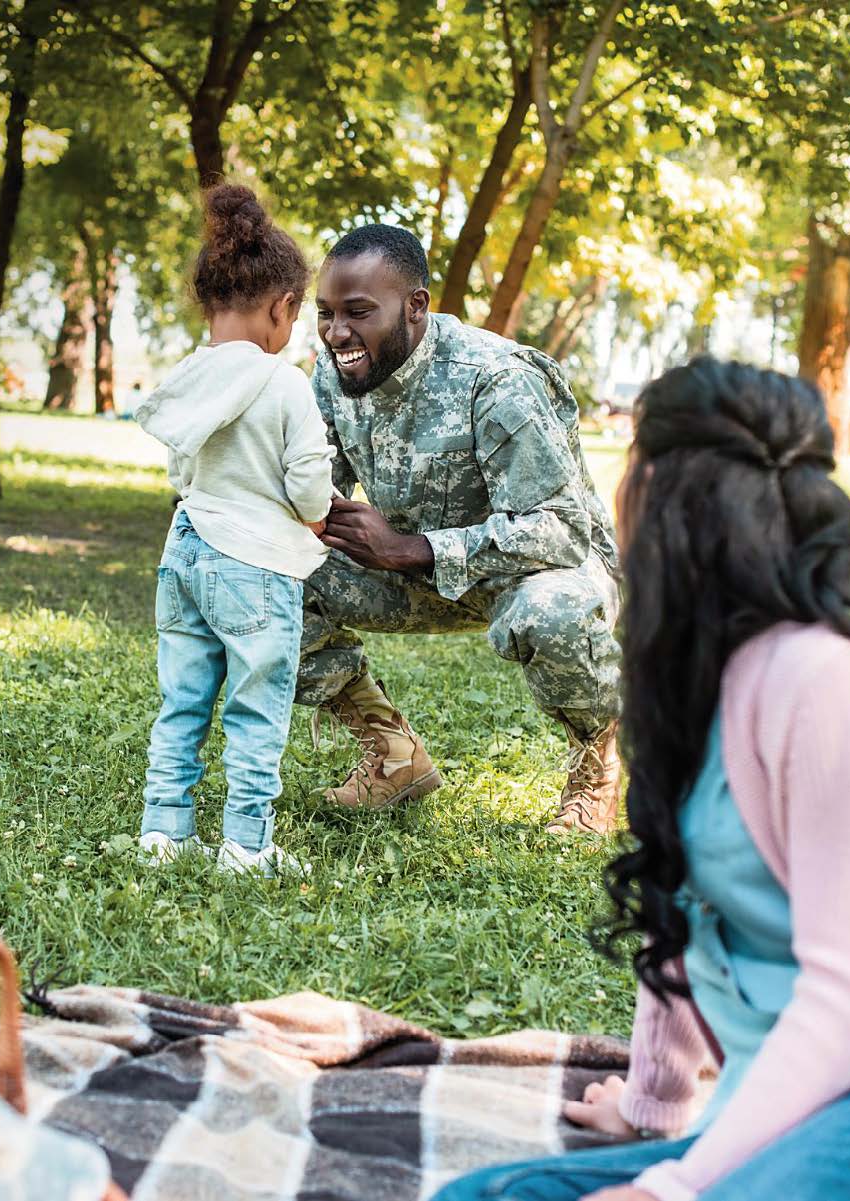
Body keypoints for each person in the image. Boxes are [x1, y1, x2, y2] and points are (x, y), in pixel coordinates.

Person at [432, 358, 850, 1200]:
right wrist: (649, 1109)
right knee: (481, 1196)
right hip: (773, 1122)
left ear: (669, 492)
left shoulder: (823, 678)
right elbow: (680, 915)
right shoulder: (689, 678)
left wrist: (669, 1187)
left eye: (632, 455)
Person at [300, 225, 621, 831]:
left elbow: (561, 531)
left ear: (415, 306)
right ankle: (394, 754)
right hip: (411, 569)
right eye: (326, 314)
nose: (337, 332)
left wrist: (410, 548)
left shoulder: (496, 377)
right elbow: (318, 490)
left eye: (358, 313)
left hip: (537, 572)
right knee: (257, 577)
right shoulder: (335, 373)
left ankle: (596, 761)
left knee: (549, 614)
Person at [134, 183, 334, 876]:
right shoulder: (285, 385)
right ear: (283, 308)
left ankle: (163, 832)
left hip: (183, 550)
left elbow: (178, 467)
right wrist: (314, 514)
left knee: (182, 700)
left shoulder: (188, 376)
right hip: (253, 565)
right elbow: (310, 480)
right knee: (255, 710)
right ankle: (246, 847)